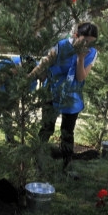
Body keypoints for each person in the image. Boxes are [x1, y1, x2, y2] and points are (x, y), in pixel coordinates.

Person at [34, 22, 98, 179]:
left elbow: (81, 77)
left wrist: (80, 58)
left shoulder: (92, 53)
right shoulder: (62, 45)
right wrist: (30, 76)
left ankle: (67, 167)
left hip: (72, 96)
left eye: (90, 42)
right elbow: (45, 63)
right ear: (76, 36)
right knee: (47, 128)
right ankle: (38, 164)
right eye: (84, 40)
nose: (87, 45)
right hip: (52, 91)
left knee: (67, 132)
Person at [0, 56, 39, 154]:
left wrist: (15, 99)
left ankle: (10, 139)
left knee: (8, 110)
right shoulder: (20, 66)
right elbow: (2, 78)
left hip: (9, 80)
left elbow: (21, 92)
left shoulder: (36, 73)